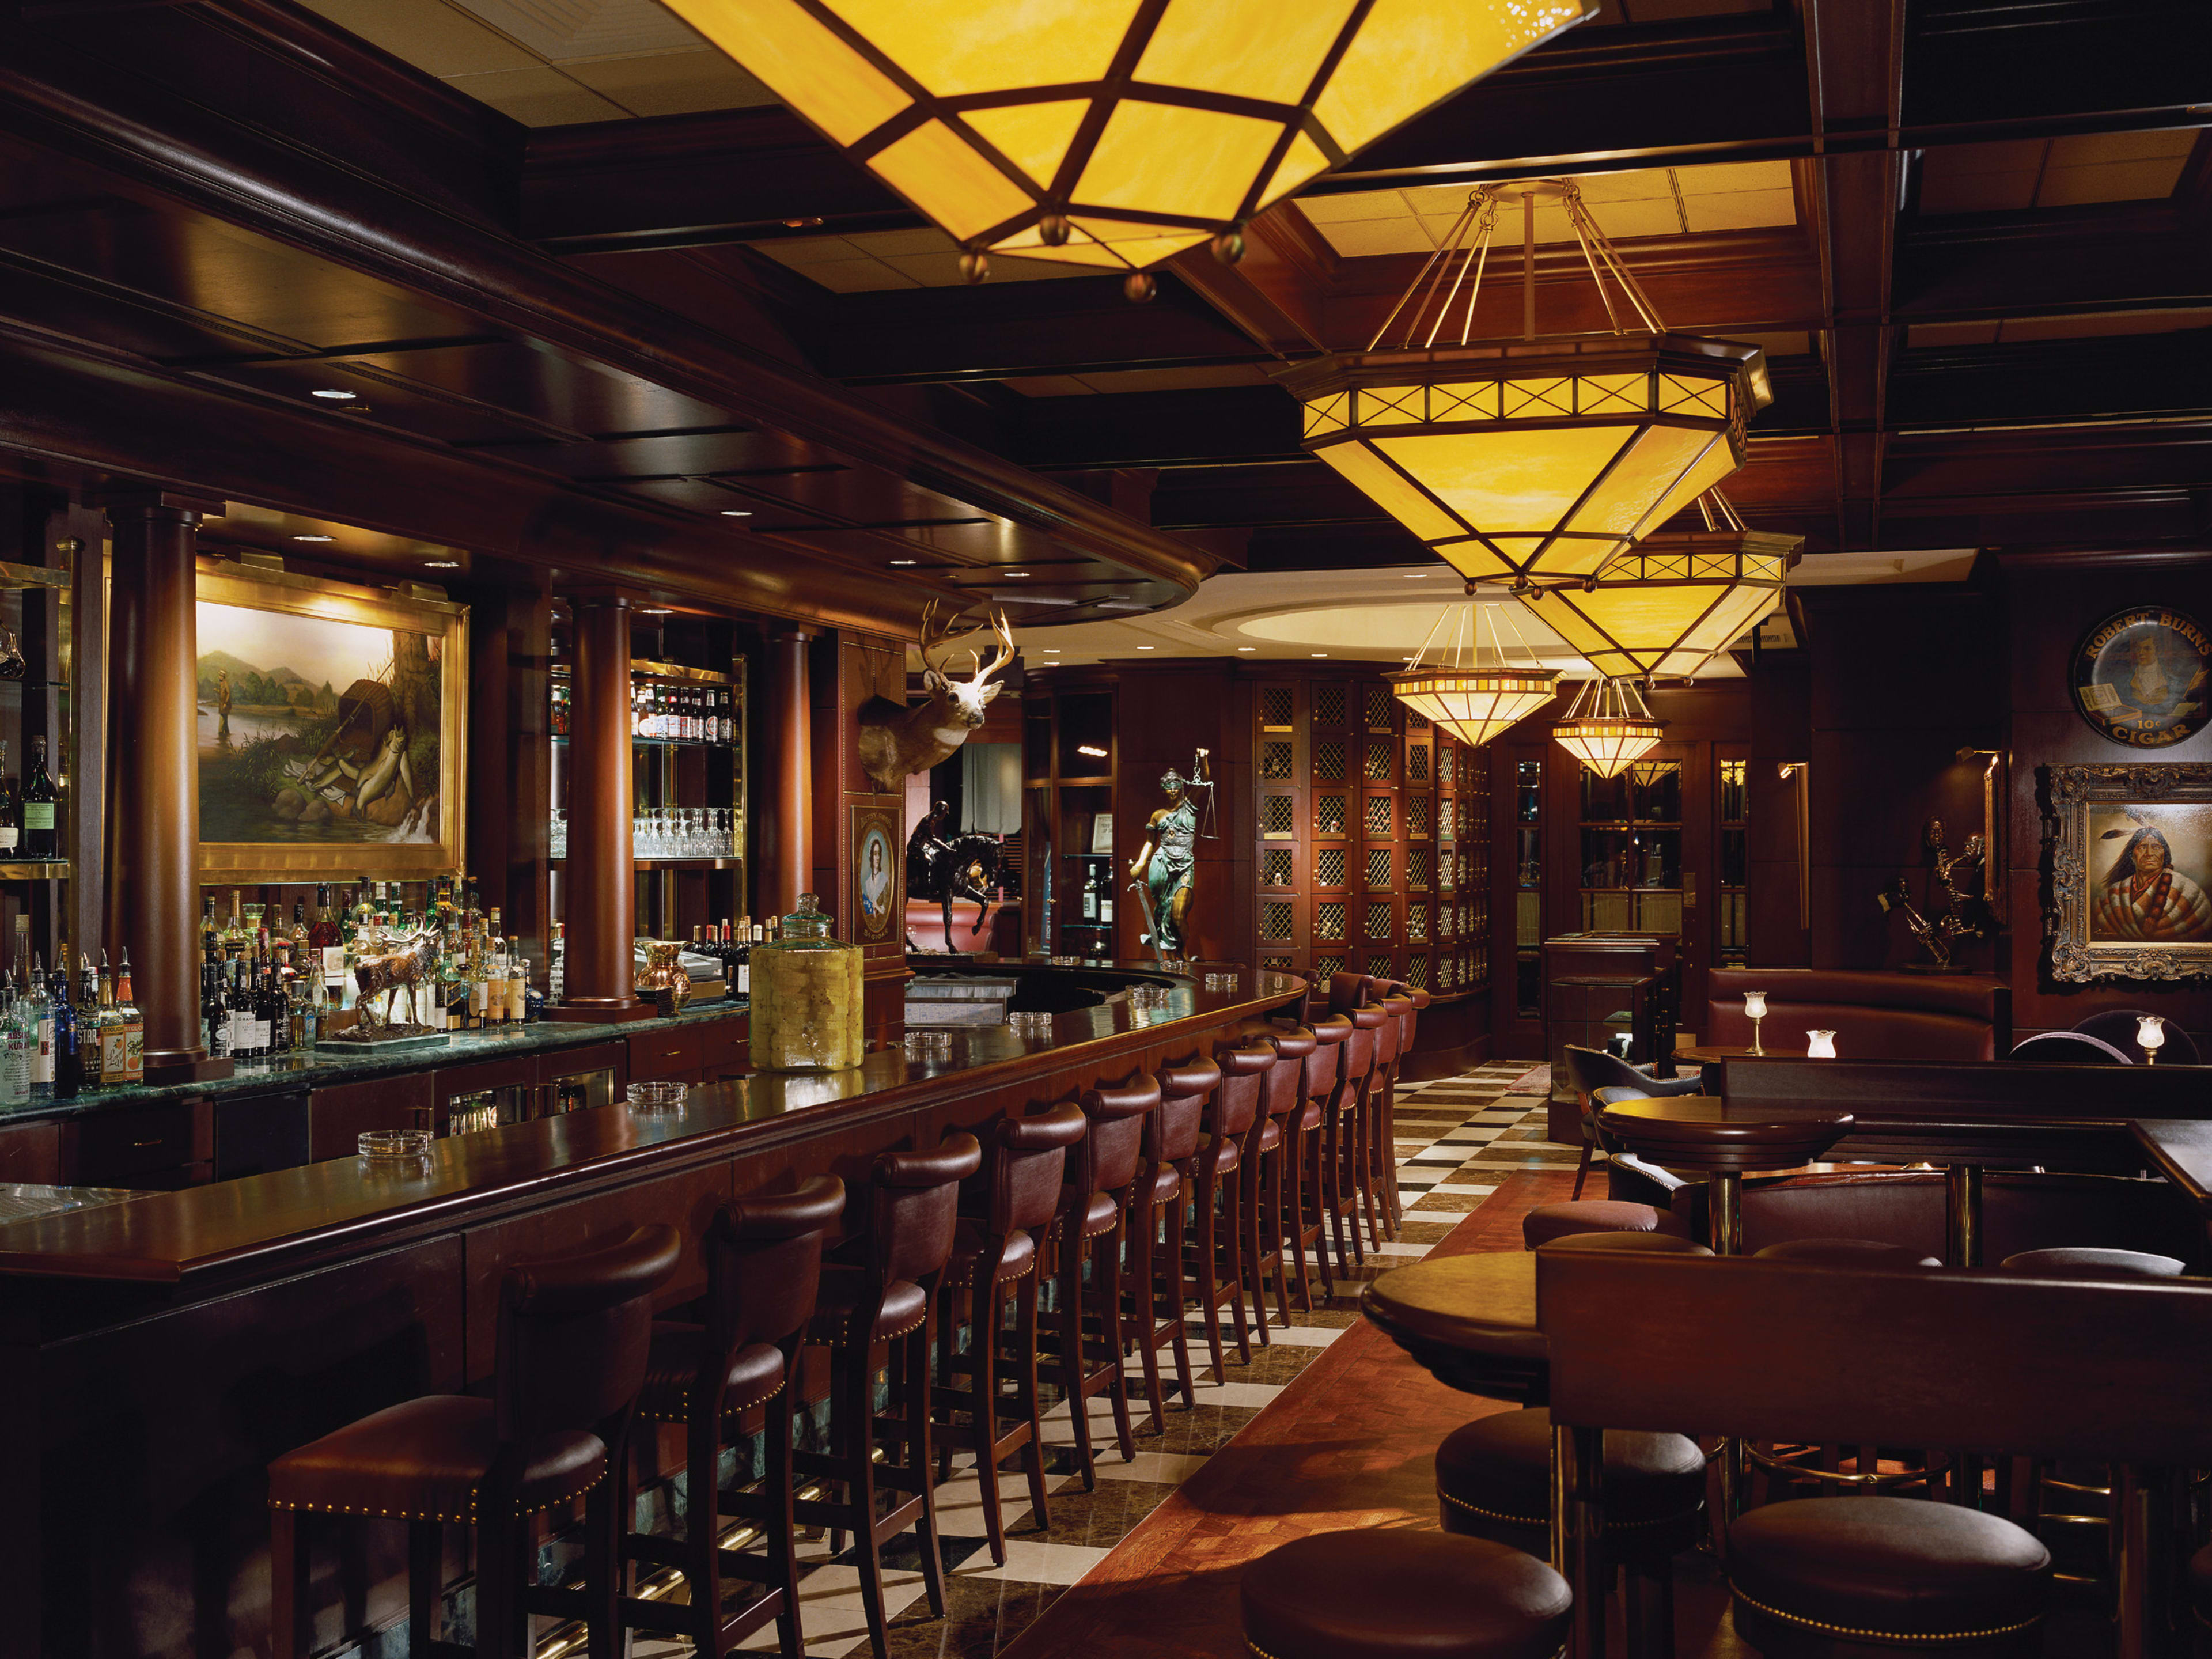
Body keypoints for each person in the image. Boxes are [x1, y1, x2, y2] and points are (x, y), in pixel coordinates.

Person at [1130, 753, 1211, 959]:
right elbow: (1150, 842)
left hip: (1184, 866)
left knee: (1178, 914)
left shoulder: (1189, 807)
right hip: (1162, 864)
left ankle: (1182, 949)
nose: (1173, 790)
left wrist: (1203, 761)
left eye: (1176, 786)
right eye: (1169, 787)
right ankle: (1172, 959)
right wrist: (1140, 864)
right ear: (1164, 789)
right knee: (1163, 911)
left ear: (1181, 786)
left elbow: (1203, 784)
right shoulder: (1158, 815)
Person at [2093, 824, 2212, 942]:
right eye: (2142, 847)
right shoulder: (2112, 895)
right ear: (2132, 856)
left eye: (2156, 847)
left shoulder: (2188, 891)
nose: (2149, 853)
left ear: (2165, 854)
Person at [861, 835, 890, 918]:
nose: (877, 857)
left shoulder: (884, 880)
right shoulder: (867, 882)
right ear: (871, 856)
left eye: (879, 854)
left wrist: (878, 907)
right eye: (875, 854)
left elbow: (886, 909)